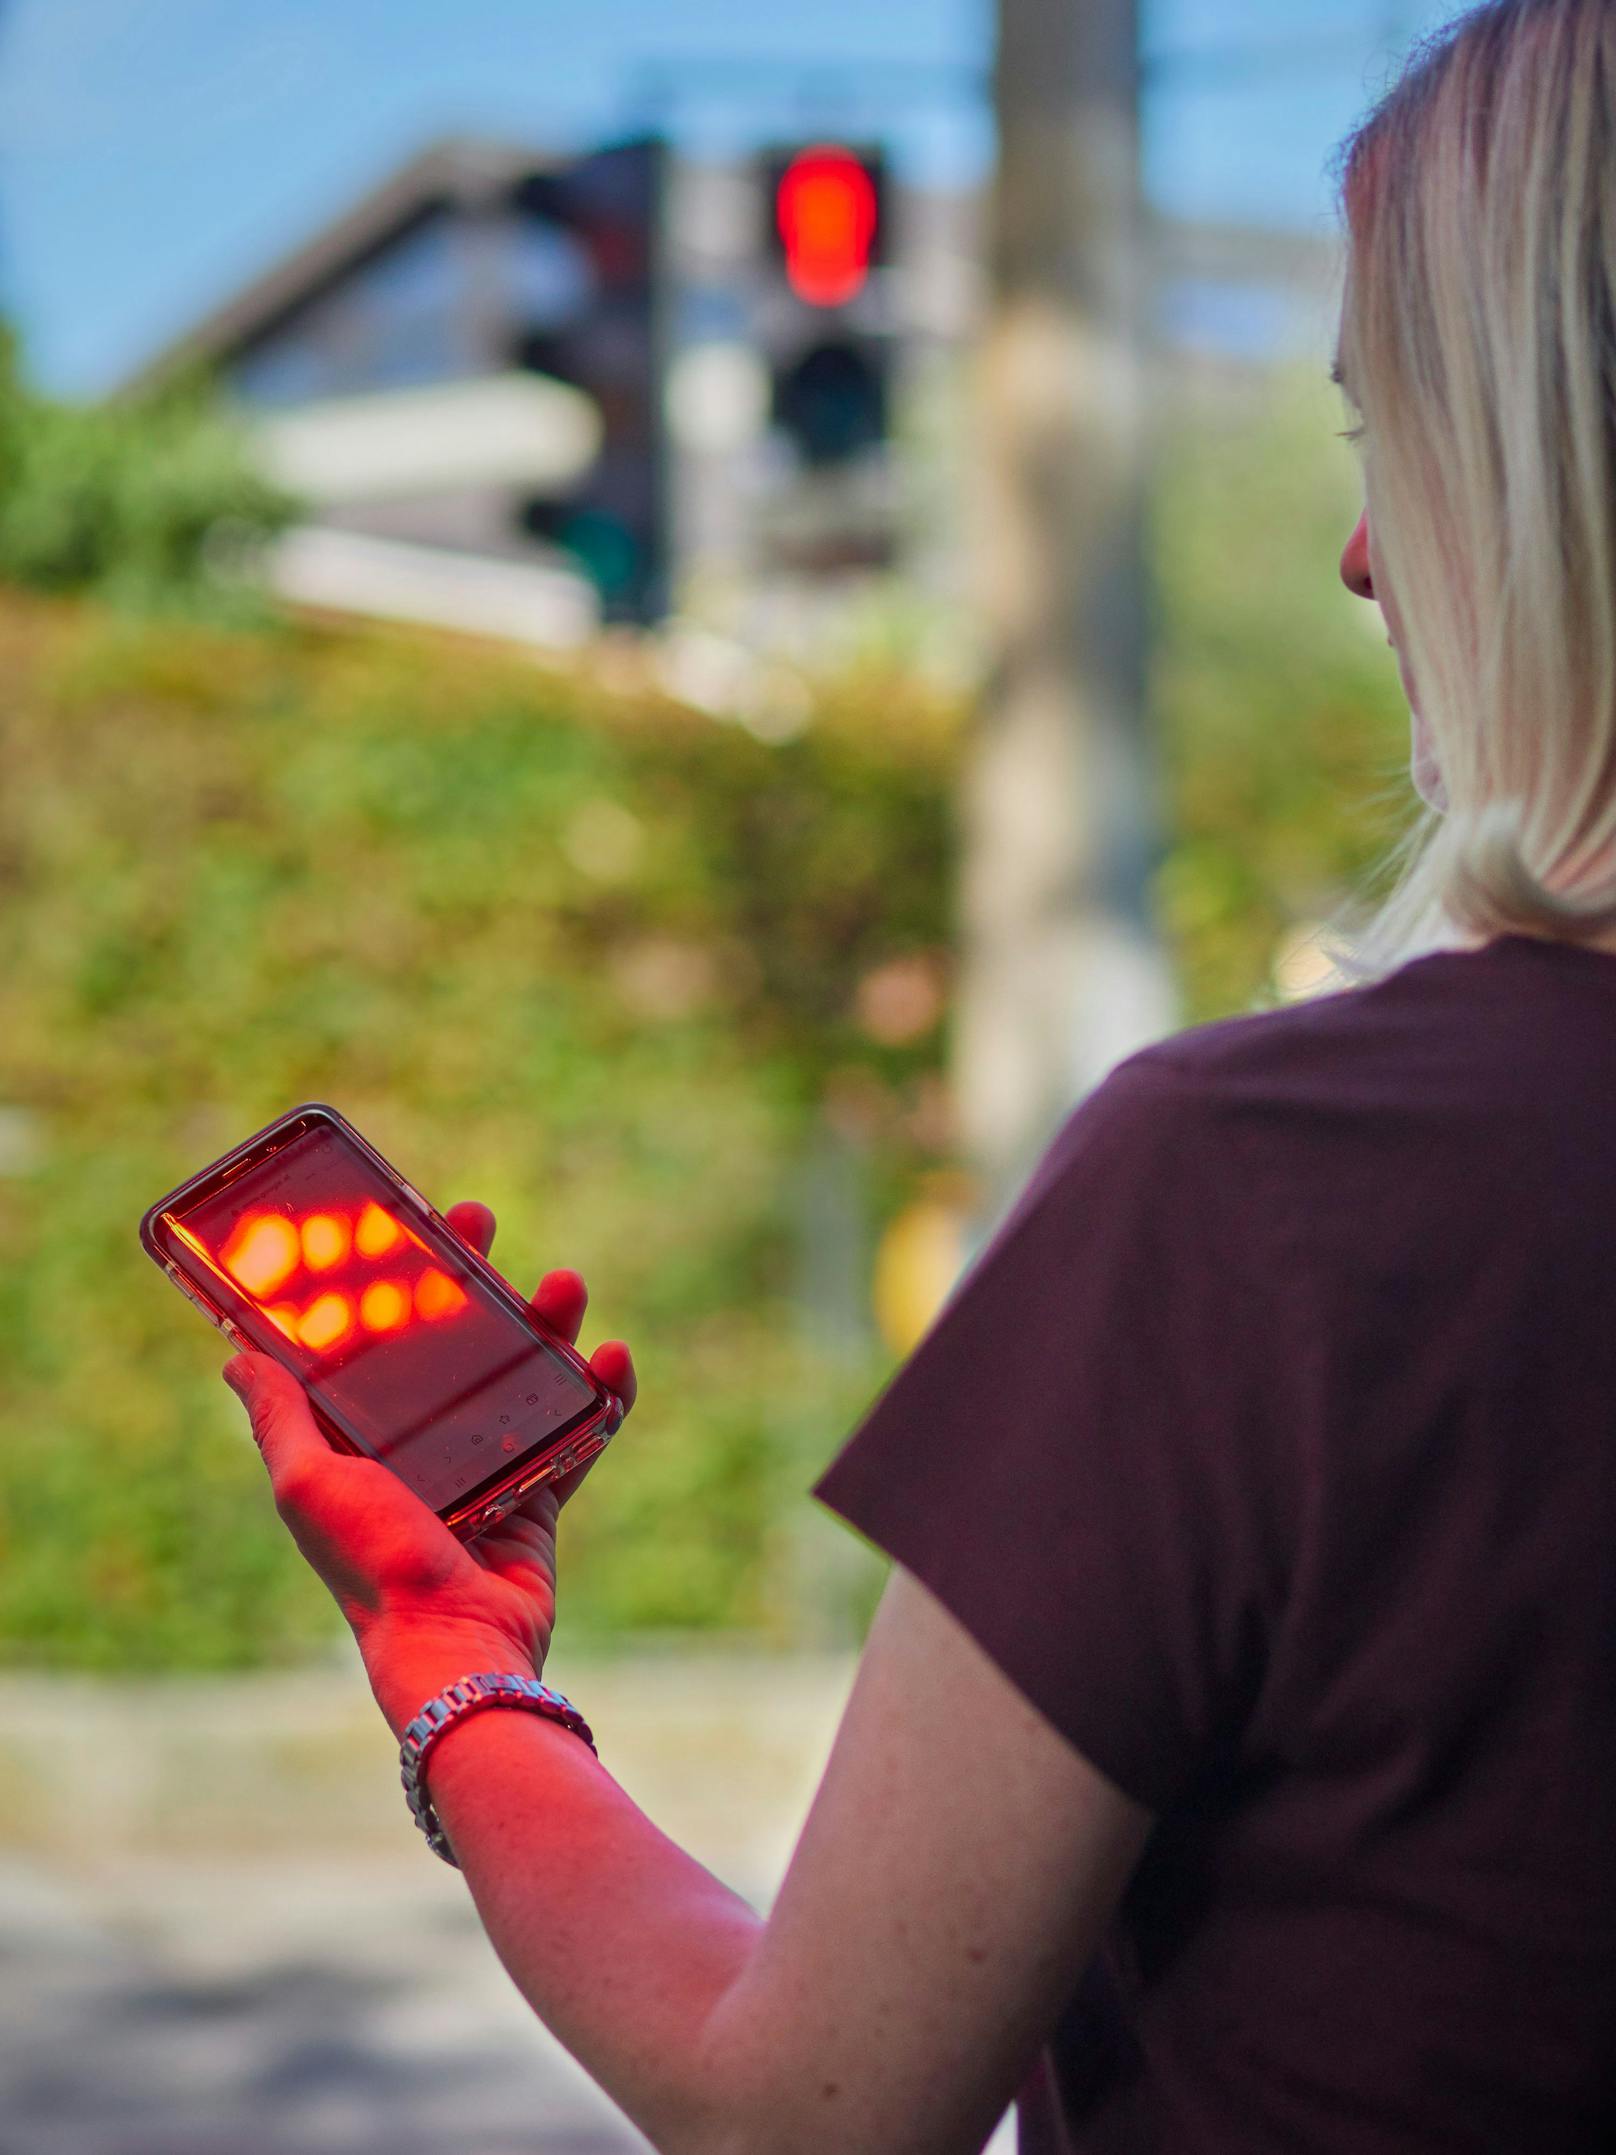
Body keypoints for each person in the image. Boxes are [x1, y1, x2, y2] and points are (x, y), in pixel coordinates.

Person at [221, 2, 1616, 2149]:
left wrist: (450, 1656)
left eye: (1387, 437)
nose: (1361, 556)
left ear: (1545, 475)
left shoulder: (1258, 1195)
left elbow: (815, 2110)